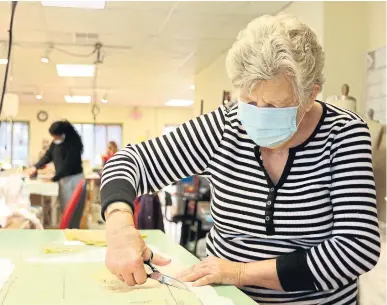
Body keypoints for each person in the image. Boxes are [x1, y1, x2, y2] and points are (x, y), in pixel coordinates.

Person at [100, 14, 380, 305]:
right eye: (248, 101)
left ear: (310, 96)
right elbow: (130, 160)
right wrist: (120, 228)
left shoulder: (344, 134)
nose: (258, 114)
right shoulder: (224, 128)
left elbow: (357, 248)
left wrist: (240, 273)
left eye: (274, 105)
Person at [26, 120, 84, 210]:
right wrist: (35, 166)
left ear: (62, 134)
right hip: (63, 178)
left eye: (54, 136)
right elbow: (48, 155)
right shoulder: (56, 143)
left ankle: (71, 224)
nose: (53, 138)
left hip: (73, 179)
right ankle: (66, 224)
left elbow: (68, 165)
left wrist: (54, 178)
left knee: (71, 209)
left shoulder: (73, 144)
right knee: (64, 207)